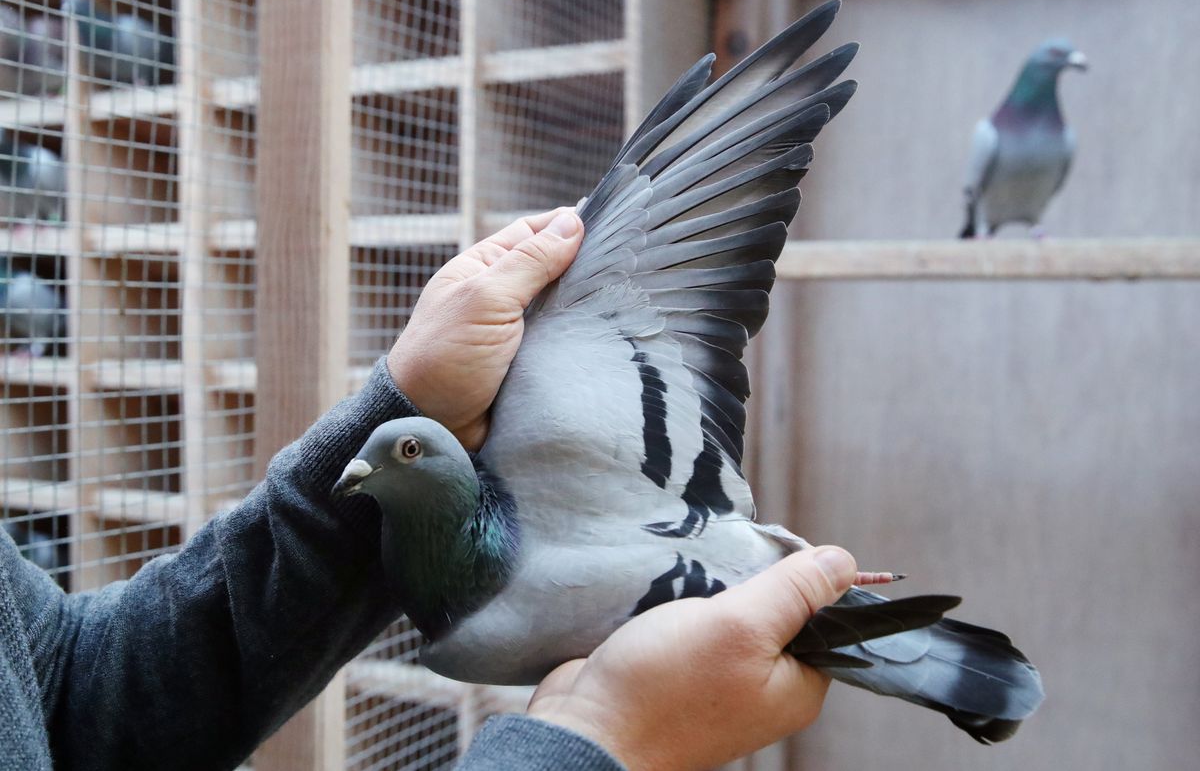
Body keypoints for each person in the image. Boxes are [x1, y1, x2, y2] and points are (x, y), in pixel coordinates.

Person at [0, 208, 858, 771]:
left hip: (716, 555)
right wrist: (592, 745)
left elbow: (69, 697)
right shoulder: (454, 641)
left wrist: (410, 402)